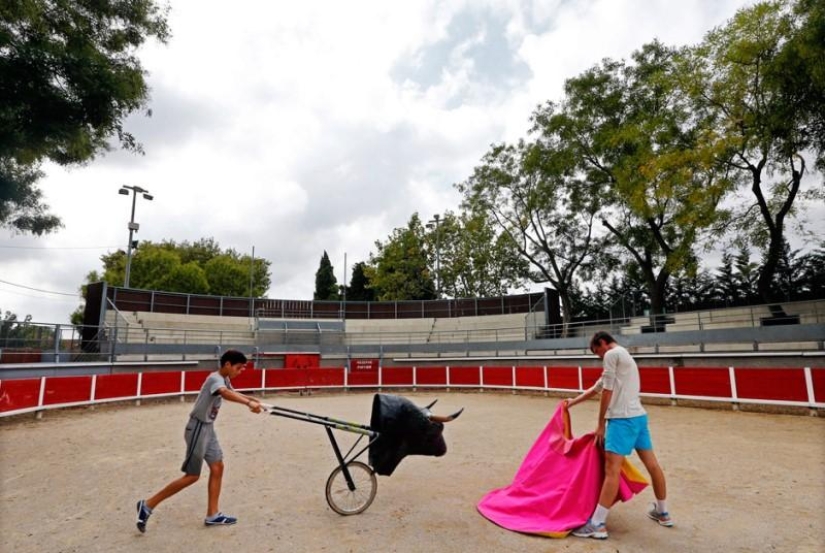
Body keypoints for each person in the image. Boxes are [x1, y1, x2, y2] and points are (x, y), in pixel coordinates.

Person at [135, 349, 263, 533]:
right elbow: (224, 393)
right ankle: (147, 505)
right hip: (197, 429)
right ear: (227, 364)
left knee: (217, 467)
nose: (241, 371)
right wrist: (249, 403)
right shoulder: (215, 379)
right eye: (239, 367)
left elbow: (231, 391)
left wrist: (251, 399)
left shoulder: (224, 378)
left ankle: (213, 514)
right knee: (192, 476)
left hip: (208, 428)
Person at [565, 331, 673, 540]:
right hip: (638, 417)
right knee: (652, 465)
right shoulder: (624, 355)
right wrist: (572, 403)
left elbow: (607, 391)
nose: (599, 357)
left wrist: (600, 424)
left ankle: (597, 524)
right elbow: (597, 388)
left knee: (611, 470)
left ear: (602, 343)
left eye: (597, 352)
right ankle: (663, 512)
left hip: (621, 420)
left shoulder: (611, 355)